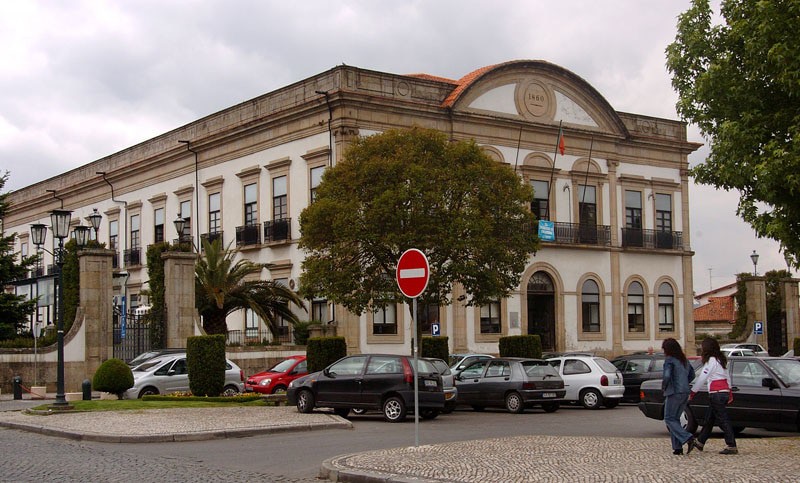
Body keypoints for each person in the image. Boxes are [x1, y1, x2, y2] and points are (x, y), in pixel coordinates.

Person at [689, 337, 737, 455]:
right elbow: (727, 376)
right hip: (723, 392)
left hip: (716, 393)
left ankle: (731, 445)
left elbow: (702, 378)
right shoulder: (721, 360)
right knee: (709, 419)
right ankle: (700, 442)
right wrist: (729, 391)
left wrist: (693, 392)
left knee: (723, 419)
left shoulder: (711, 361)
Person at [661, 338, 696, 455]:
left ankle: (688, 437)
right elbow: (692, 374)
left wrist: (664, 386)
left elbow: (667, 376)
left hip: (674, 392)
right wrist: (685, 383)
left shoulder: (669, 360)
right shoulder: (684, 360)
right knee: (675, 420)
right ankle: (677, 448)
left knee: (669, 418)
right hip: (685, 392)